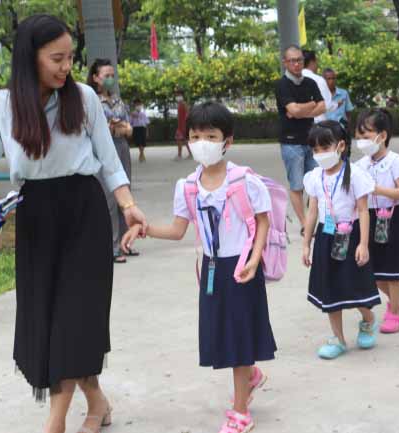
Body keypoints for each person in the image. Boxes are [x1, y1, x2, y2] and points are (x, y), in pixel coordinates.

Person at [0, 14, 147, 433]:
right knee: (47, 319)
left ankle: (55, 422)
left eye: (70, 57)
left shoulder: (82, 98)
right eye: (56, 58)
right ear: (30, 58)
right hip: (35, 216)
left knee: (75, 316)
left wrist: (128, 205)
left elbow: (107, 161)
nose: (66, 66)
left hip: (83, 212)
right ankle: (98, 403)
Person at [121, 102, 276, 433]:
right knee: (226, 332)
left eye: (210, 135)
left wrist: (253, 258)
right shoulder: (188, 186)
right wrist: (143, 228)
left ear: (227, 141)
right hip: (211, 269)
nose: (201, 142)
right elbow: (179, 230)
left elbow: (263, 221)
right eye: (195, 136)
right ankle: (250, 376)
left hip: (241, 267)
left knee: (237, 339)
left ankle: (239, 413)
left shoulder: (244, 181)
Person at [302, 121, 381, 359]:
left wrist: (364, 244)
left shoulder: (356, 174)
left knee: (355, 285)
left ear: (341, 146)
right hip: (326, 238)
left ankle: (368, 319)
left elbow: (364, 210)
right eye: (315, 150)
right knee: (330, 289)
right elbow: (312, 211)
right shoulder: (314, 177)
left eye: (325, 148)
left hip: (351, 235)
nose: (320, 155)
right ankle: (338, 338)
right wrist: (307, 243)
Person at [356, 108, 399, 332]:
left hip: (393, 219)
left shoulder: (396, 162)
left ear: (382, 136)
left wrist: (377, 189)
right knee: (374, 272)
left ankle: (394, 313)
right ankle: (397, 298)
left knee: (393, 271)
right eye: (359, 137)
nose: (361, 142)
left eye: (366, 136)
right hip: (369, 219)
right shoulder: (360, 165)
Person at [87, 58, 135, 264]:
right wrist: (115, 126)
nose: (110, 79)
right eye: (106, 75)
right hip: (103, 151)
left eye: (112, 75)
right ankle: (113, 246)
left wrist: (117, 127)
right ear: (96, 78)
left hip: (122, 148)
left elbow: (129, 128)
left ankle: (126, 242)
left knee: (125, 196)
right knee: (109, 199)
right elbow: (98, 130)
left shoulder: (117, 100)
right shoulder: (92, 101)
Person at [275, 45, 326, 235]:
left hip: (311, 141)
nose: (297, 64)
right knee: (297, 185)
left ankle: (315, 218)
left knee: (317, 183)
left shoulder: (310, 83)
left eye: (300, 60)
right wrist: (310, 105)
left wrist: (300, 110)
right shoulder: (281, 85)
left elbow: (322, 107)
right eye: (292, 60)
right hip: (291, 143)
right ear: (285, 62)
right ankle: (305, 224)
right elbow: (293, 110)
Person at [302, 50, 336, 123]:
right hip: (316, 125)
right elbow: (327, 105)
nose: (317, 64)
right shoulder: (318, 80)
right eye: (317, 61)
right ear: (312, 61)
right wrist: (336, 104)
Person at [130, 98, 149, 163]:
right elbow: (131, 122)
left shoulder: (144, 112)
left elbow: (146, 122)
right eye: (136, 104)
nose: (138, 105)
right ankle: (141, 154)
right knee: (139, 142)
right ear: (134, 105)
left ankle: (141, 154)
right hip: (136, 128)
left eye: (139, 104)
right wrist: (132, 116)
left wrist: (147, 131)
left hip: (143, 128)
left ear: (141, 104)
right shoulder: (133, 113)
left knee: (143, 142)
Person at [175, 90, 192, 160]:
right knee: (184, 140)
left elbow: (188, 113)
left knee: (180, 139)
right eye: (177, 95)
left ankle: (180, 155)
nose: (177, 97)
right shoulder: (179, 104)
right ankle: (189, 154)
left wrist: (186, 124)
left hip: (184, 125)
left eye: (179, 95)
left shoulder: (184, 104)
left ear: (182, 96)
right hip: (180, 125)